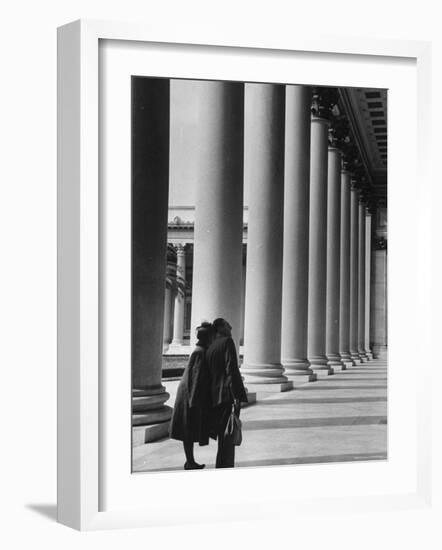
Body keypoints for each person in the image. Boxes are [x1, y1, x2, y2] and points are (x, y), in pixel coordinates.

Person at [169, 322, 214, 470]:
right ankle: (189, 461)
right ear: (208, 337)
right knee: (187, 430)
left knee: (188, 430)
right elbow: (195, 377)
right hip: (189, 395)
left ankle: (190, 461)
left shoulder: (201, 350)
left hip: (190, 394)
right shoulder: (200, 352)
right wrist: (194, 401)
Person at [206, 318, 248, 468]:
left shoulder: (211, 346)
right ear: (221, 328)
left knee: (223, 438)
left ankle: (221, 465)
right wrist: (236, 395)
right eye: (227, 324)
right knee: (228, 437)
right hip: (226, 396)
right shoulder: (227, 342)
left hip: (215, 397)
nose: (231, 326)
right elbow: (231, 370)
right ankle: (226, 467)